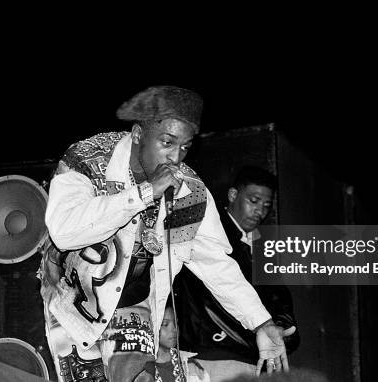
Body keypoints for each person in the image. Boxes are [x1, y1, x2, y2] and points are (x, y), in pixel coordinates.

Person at [37, 85, 296, 382]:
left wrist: (260, 322)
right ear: (137, 134)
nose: (175, 157)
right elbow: (65, 231)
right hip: (74, 305)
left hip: (136, 307)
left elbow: (216, 264)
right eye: (167, 142)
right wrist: (145, 193)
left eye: (184, 147)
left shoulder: (190, 192)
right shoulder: (88, 159)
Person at [175, 166, 301, 382]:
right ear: (233, 195)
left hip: (251, 356)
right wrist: (261, 325)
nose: (260, 210)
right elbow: (218, 287)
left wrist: (277, 327)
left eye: (266, 205)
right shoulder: (210, 234)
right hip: (211, 353)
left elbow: (279, 298)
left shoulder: (260, 245)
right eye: (253, 201)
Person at [150, 298, 210, 382]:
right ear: (151, 327)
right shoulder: (139, 368)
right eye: (165, 324)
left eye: (176, 323)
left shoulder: (190, 365)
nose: (174, 329)